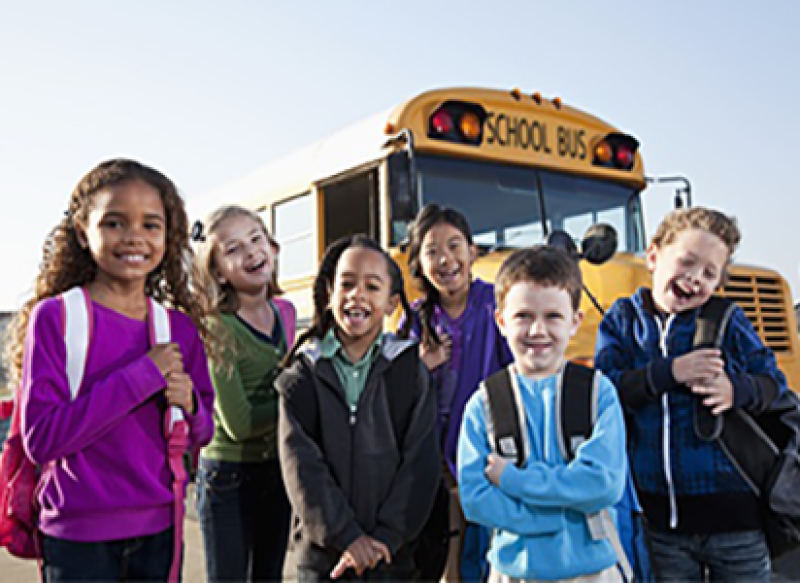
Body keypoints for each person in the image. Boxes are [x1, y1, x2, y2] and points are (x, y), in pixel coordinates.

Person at [4, 158, 216, 581]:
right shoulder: (56, 317)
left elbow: (202, 433)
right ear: (83, 231)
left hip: (160, 530)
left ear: (168, 235)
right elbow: (41, 439)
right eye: (114, 223)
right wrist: (143, 376)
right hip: (76, 536)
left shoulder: (177, 328)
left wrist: (191, 405)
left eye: (151, 225)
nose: (134, 236)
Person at [594, 207, 787, 582]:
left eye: (709, 273)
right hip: (660, 524)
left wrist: (734, 390)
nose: (695, 278)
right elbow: (606, 389)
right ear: (653, 255)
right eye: (687, 262)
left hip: (736, 521)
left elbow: (772, 382)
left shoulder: (727, 319)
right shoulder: (622, 320)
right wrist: (671, 372)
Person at [458, 245, 627, 582]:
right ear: (501, 321)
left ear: (575, 322)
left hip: (592, 572)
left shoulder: (598, 393)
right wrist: (554, 519)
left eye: (553, 317)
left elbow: (603, 484)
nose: (538, 331)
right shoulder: (484, 404)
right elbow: (476, 498)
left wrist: (513, 480)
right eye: (523, 316)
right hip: (513, 574)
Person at [276, 234, 441, 582]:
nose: (357, 295)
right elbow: (302, 469)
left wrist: (387, 537)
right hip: (325, 561)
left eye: (372, 286)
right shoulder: (301, 377)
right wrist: (347, 536)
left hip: (392, 558)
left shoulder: (410, 374)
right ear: (329, 295)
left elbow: (420, 462)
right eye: (347, 284)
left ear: (392, 303)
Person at [405, 203, 512, 581]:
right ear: (419, 263)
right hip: (433, 461)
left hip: (487, 454)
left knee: (484, 555)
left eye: (454, 246)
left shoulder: (496, 304)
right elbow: (394, 393)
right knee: (444, 556)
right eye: (432, 251)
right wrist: (421, 367)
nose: (445, 260)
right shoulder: (414, 318)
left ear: (473, 251)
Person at [193, 205, 294, 582]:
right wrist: (298, 400)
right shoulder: (217, 328)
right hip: (228, 478)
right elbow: (240, 423)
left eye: (256, 239)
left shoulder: (284, 313)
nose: (251, 252)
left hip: (276, 470)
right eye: (233, 249)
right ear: (218, 271)